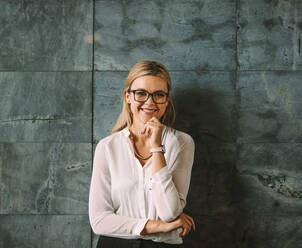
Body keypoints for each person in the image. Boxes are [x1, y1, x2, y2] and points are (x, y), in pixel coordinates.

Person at [89, 60, 195, 248]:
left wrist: (157, 148)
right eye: (141, 93)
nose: (150, 102)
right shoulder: (107, 147)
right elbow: (99, 220)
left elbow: (169, 212)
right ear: (128, 97)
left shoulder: (182, 143)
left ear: (167, 100)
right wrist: (157, 226)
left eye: (158, 95)